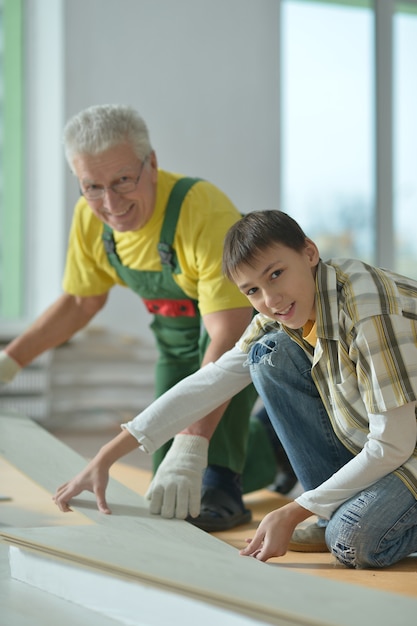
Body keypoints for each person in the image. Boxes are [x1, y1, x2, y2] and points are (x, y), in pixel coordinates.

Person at [53, 209, 417, 569]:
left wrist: (295, 509)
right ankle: (333, 514)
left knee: (351, 539)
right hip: (393, 445)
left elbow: (393, 443)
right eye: (253, 290)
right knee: (268, 354)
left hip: (403, 447)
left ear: (308, 252)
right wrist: (106, 457)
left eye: (276, 274)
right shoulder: (285, 312)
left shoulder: (367, 309)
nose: (271, 299)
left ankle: (336, 519)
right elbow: (209, 383)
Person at [0, 103, 281, 532]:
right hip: (172, 344)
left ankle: (238, 470)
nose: (110, 203)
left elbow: (229, 335)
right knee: (166, 484)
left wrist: (192, 444)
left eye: (123, 181)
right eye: (92, 187)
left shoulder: (201, 211)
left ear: (151, 163)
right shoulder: (91, 219)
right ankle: (276, 441)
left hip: (232, 340)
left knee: (206, 481)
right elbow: (80, 303)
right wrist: (9, 363)